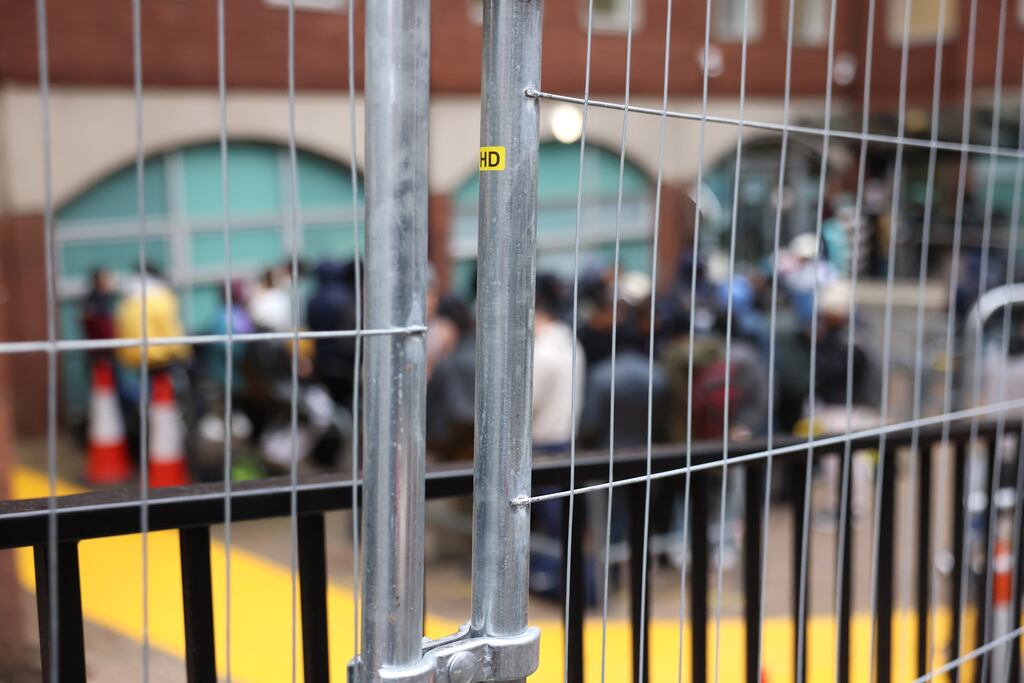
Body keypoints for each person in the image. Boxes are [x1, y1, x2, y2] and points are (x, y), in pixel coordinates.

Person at [530, 273, 586, 600]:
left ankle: (568, 587)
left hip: (544, 444)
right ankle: (575, 586)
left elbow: (525, 403)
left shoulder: (542, 353)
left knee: (553, 524)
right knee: (564, 520)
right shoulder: (570, 343)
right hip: (567, 439)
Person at [306, 261, 357, 408]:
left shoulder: (313, 300)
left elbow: (311, 328)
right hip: (346, 361)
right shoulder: (348, 297)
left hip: (321, 359)